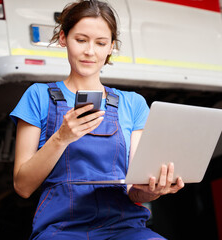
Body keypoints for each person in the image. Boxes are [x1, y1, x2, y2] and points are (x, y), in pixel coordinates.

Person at [10, 0, 184, 239]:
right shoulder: (38, 96)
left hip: (124, 228)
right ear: (63, 39)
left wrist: (153, 191)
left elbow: (135, 192)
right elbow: (23, 187)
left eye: (100, 43)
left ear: (111, 47)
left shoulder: (132, 104)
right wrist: (61, 138)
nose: (90, 51)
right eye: (80, 40)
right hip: (61, 230)